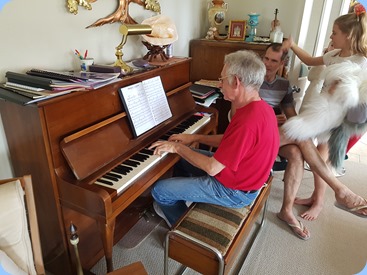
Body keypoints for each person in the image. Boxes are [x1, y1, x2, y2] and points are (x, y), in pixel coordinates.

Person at [149, 50, 279, 227]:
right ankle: (186, 195)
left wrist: (177, 147)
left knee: (159, 190)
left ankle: (183, 230)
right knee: (181, 158)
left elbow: (212, 168)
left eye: (222, 79)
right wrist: (193, 137)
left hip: (235, 191)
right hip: (241, 177)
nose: (219, 84)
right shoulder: (261, 107)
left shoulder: (247, 121)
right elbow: (229, 141)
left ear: (236, 82)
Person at [282, 5, 367, 220]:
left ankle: (322, 200)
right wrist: (292, 45)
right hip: (323, 108)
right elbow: (310, 61)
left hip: (335, 116)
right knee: (318, 154)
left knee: (309, 145)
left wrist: (343, 91)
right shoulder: (334, 54)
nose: (331, 35)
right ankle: (319, 198)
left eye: (335, 32)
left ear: (348, 36)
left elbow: (359, 96)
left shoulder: (361, 62)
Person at [230, 43, 311, 240]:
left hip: (274, 134)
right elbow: (236, 116)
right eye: (265, 58)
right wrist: (271, 118)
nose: (267, 63)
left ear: (282, 63)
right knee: (302, 141)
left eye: (273, 60)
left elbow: (292, 117)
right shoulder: (250, 79)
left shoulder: (284, 85)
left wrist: (292, 121)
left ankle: (286, 209)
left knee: (296, 153)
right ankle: (326, 178)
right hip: (253, 133)